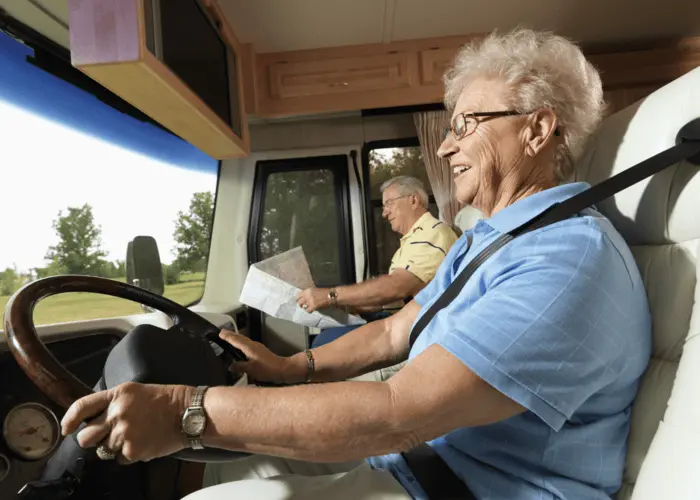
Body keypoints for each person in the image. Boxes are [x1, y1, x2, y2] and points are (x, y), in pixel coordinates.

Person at [60, 28, 652, 500]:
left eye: (466, 125)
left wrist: (182, 411)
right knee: (230, 468)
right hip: (424, 460)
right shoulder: (489, 239)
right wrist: (293, 369)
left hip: (467, 485)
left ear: (539, 129)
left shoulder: (568, 259)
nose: (445, 148)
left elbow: (401, 413)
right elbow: (398, 328)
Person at [298, 175, 459, 347]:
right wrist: (347, 307)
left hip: (415, 325)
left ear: (413, 200)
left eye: (389, 203)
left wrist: (331, 296)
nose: (384, 213)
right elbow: (390, 300)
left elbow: (397, 287)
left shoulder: (433, 233)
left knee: (322, 343)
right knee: (327, 332)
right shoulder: (413, 239)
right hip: (400, 316)